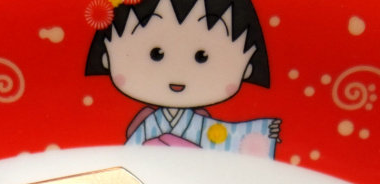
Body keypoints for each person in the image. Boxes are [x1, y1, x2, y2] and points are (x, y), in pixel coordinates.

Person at [85, 0, 280, 153]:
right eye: (156, 54)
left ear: (247, 68)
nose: (177, 74)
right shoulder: (146, 121)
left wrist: (263, 135)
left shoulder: (203, 122)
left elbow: (231, 140)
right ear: (106, 58)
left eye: (202, 57)